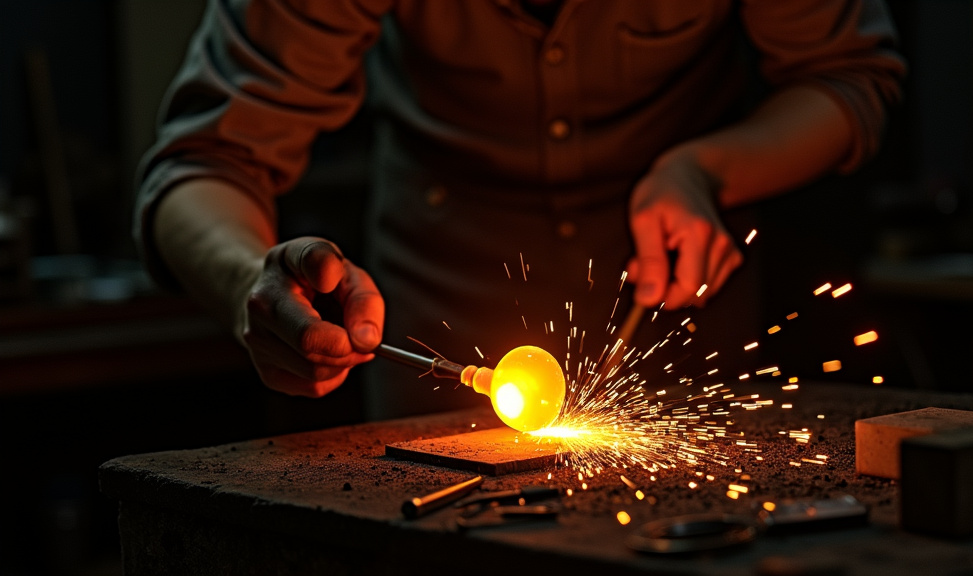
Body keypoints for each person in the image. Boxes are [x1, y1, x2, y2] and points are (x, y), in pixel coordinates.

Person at [134, 0, 906, 421]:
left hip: (684, 324)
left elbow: (850, 76)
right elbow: (206, 159)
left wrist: (705, 170)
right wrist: (252, 285)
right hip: (431, 308)